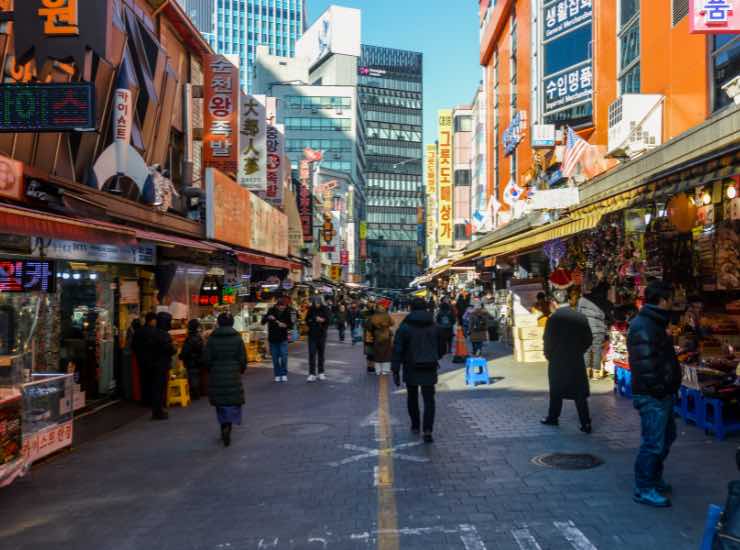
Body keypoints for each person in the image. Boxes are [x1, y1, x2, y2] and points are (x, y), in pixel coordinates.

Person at [627, 280, 681, 508]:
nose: (674, 303)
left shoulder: (654, 323)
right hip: (653, 395)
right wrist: (660, 389)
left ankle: (653, 479)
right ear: (663, 299)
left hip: (661, 393)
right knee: (653, 442)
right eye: (671, 298)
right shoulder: (645, 326)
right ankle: (644, 487)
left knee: (665, 438)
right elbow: (645, 364)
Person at [541, 288, 593, 434]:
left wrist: (549, 355)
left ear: (554, 302)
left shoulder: (553, 319)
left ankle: (553, 417)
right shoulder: (580, 317)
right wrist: (578, 351)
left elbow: (547, 341)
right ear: (568, 300)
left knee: (556, 390)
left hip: (557, 360)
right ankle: (586, 423)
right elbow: (588, 339)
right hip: (576, 359)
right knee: (579, 393)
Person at [392, 298, 443, 443]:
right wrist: (435, 356)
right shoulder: (434, 325)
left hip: (411, 365)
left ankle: (415, 425)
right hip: (429, 365)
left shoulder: (405, 327)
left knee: (412, 397)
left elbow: (397, 349)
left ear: (411, 308)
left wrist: (395, 369)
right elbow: (442, 348)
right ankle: (428, 430)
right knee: (429, 399)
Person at [206, 313, 247, 447]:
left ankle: (224, 425)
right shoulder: (237, 338)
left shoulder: (212, 339)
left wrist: (211, 369)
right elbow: (243, 359)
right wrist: (240, 369)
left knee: (220, 402)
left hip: (216, 373)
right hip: (233, 372)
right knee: (232, 401)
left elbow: (206, 359)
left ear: (218, 323)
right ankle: (228, 426)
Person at [573, 285, 610, 379]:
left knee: (586, 349)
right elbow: (607, 317)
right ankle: (596, 374)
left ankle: (586, 372)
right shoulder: (604, 302)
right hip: (599, 328)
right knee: (597, 349)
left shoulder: (582, 300)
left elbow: (578, 313)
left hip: (586, 328)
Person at [150, 312, 177, 420]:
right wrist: (173, 347)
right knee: (160, 388)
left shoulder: (154, 332)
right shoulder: (163, 335)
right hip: (161, 364)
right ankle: (158, 411)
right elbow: (169, 349)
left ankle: (157, 410)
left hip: (154, 363)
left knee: (156, 388)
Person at [262, 297, 293, 383]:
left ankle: (283, 374)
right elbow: (263, 321)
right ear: (277, 306)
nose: (282, 308)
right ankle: (277, 374)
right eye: (281, 306)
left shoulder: (287, 311)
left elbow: (291, 324)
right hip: (273, 338)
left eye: (283, 306)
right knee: (275, 358)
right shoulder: (271, 310)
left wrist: (285, 325)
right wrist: (268, 317)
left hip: (283, 338)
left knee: (284, 357)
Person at [132, 312, 157, 406]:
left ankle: (144, 400)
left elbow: (133, 346)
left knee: (143, 380)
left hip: (141, 360)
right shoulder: (154, 331)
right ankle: (151, 400)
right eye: (155, 320)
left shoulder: (138, 331)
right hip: (152, 360)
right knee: (152, 381)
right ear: (152, 320)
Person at [305, 296, 331, 382]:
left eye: (318, 303)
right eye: (315, 303)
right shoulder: (310, 309)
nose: (316, 304)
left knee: (321, 354)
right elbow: (307, 320)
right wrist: (312, 320)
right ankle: (312, 374)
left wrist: (322, 320)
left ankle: (321, 372)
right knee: (312, 354)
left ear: (321, 302)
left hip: (321, 335)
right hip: (312, 335)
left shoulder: (325, 309)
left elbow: (328, 320)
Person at [179, 319, 206, 400]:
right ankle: (197, 392)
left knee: (193, 377)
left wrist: (181, 356)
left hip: (191, 361)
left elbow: (186, 351)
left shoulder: (190, 338)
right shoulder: (199, 337)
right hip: (198, 360)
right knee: (196, 376)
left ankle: (195, 393)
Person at [368, 302, 394, 375]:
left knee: (377, 353)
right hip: (386, 334)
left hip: (377, 335)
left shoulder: (374, 316)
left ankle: (378, 370)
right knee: (387, 353)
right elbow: (392, 323)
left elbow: (369, 326)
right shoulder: (387, 315)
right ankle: (385, 370)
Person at [362, 298, 377, 373]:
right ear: (368, 303)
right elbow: (364, 323)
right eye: (371, 302)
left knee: (374, 352)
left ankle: (372, 366)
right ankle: (369, 366)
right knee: (369, 352)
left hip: (375, 334)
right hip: (368, 334)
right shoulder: (365, 312)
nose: (372, 304)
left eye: (373, 302)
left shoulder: (376, 312)